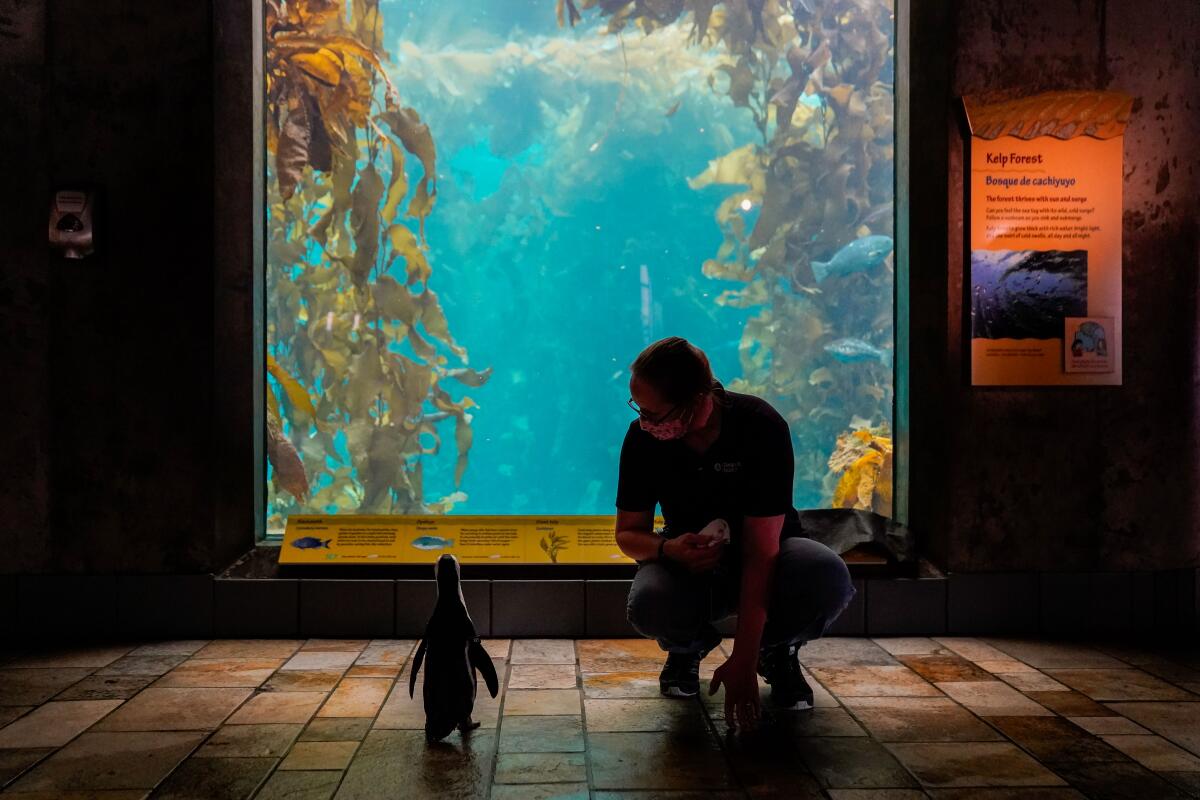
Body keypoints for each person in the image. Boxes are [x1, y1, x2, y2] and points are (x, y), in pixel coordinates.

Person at [615, 336, 855, 731]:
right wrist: (669, 548)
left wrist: (744, 658)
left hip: (771, 554)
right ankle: (685, 649)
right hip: (690, 564)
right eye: (638, 410)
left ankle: (776, 650)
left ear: (695, 399)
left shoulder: (760, 426)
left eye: (654, 415)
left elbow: (762, 554)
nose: (645, 423)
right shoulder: (643, 439)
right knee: (650, 600)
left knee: (825, 574)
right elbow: (628, 534)